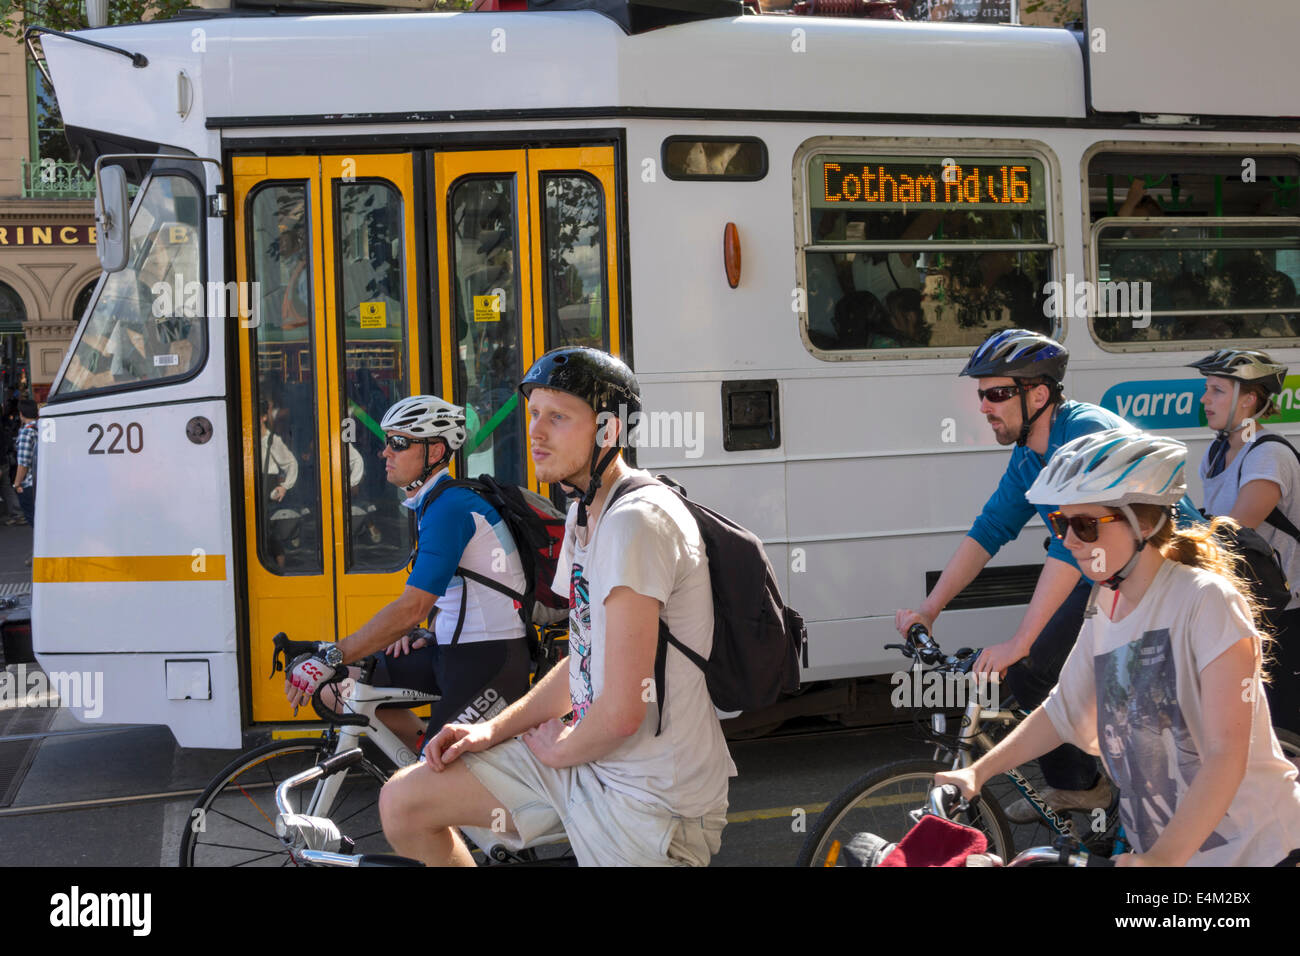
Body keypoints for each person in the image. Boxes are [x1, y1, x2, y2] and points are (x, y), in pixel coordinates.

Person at [377, 347, 733, 867]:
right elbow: (586, 658)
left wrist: (555, 750)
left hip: (649, 802)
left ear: (609, 430)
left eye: (558, 417)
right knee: (404, 802)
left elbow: (622, 713)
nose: (536, 433)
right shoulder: (586, 515)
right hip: (587, 765)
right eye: (533, 415)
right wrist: (491, 731)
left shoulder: (637, 522)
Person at [936, 429, 1300, 866]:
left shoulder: (1206, 600)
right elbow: (1062, 709)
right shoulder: (1105, 601)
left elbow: (1225, 754)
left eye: (1084, 525)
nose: (1067, 542)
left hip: (1253, 851)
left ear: (1144, 523)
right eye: (1059, 523)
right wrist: (977, 772)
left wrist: (1160, 860)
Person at [895, 328, 1202, 824]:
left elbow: (1071, 543)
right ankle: (1085, 786)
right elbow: (990, 530)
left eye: (996, 394)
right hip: (1111, 572)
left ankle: (1138, 802)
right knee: (1041, 671)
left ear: (1037, 394)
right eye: (981, 395)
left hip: (1169, 570)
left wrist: (1020, 640)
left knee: (1043, 665)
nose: (984, 406)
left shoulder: (1082, 433)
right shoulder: (1028, 453)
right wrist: (931, 608)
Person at [284, 395, 531, 756]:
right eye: (387, 442)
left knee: (431, 785)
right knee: (339, 689)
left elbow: (411, 607)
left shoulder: (451, 507)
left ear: (434, 453)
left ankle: (436, 781)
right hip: (448, 652)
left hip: (488, 662)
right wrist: (423, 632)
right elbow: (455, 594)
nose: (386, 452)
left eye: (399, 443)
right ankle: (420, 750)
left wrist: (331, 656)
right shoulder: (432, 503)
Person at [1189, 348, 1300, 734]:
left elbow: (1235, 531)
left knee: (1285, 730)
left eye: (1216, 390)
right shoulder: (1219, 452)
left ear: (1248, 399)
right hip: (1246, 607)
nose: (1205, 399)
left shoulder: (1267, 454)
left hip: (1286, 610)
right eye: (1207, 389)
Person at [12, 398, 38, 531]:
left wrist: (17, 484)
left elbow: (23, 463)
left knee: (35, 521)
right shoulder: (41, 428)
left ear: (21, 414)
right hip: (39, 482)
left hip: (28, 484)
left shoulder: (26, 432)